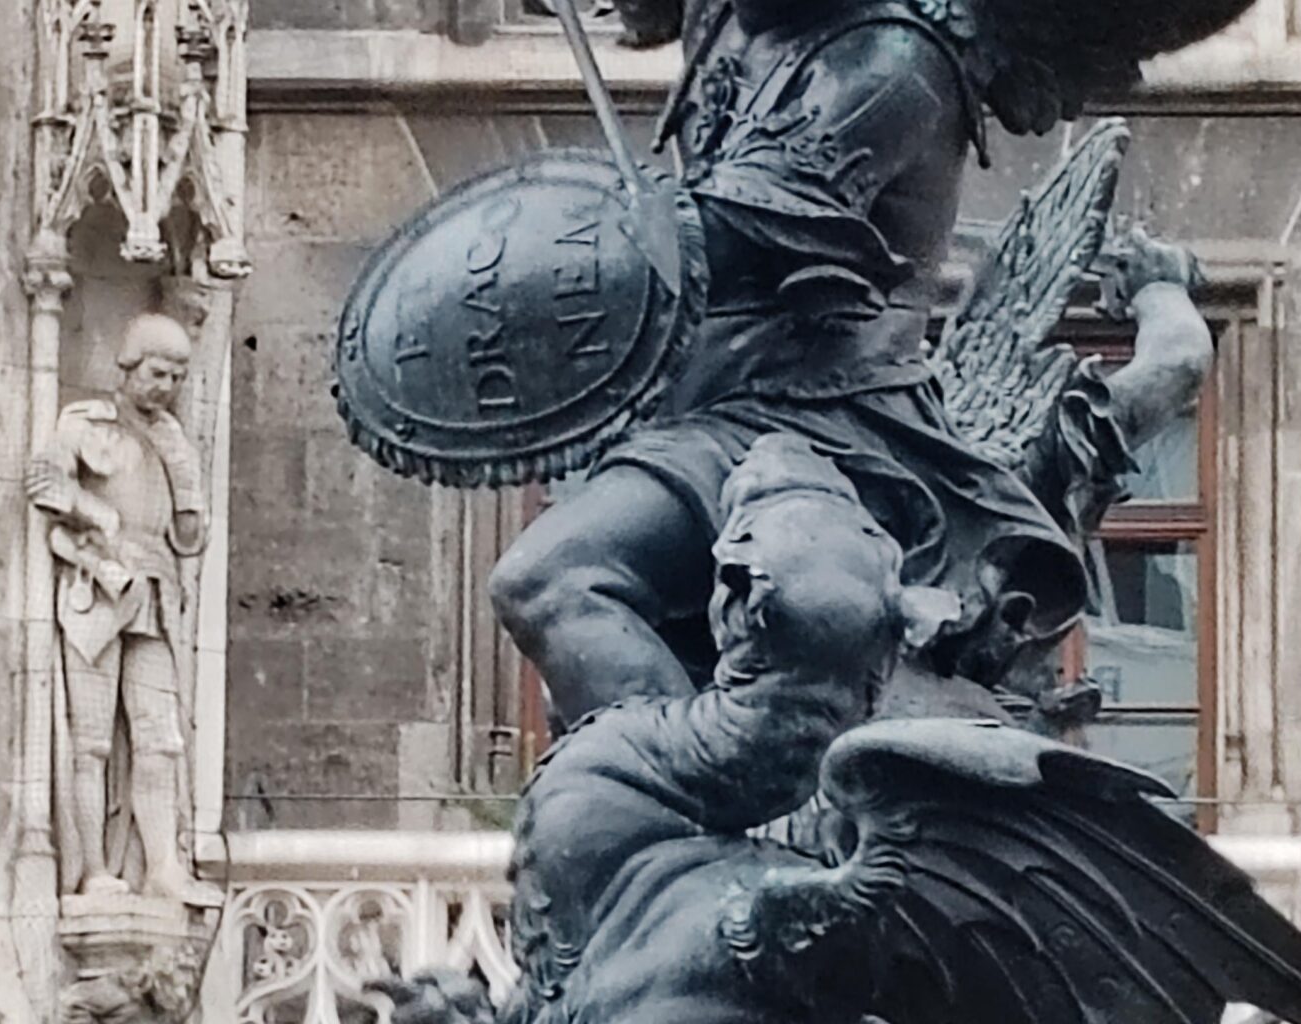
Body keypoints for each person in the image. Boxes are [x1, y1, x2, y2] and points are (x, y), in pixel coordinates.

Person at [495, 0, 1214, 728]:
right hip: (701, 418)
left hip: (821, 432)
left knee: (558, 580)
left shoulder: (892, 65)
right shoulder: (726, 17)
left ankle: (689, 793)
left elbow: (722, 241)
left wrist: (1161, 288)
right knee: (598, 662)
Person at [27, 313, 221, 906]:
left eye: (178, 378)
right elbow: (44, 484)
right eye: (158, 373)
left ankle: (161, 865)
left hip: (155, 599)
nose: (166, 387)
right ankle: (90, 871)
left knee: (160, 740)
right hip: (98, 593)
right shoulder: (88, 423)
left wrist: (184, 471)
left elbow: (189, 537)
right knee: (91, 743)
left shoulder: (172, 439)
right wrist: (97, 516)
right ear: (130, 367)